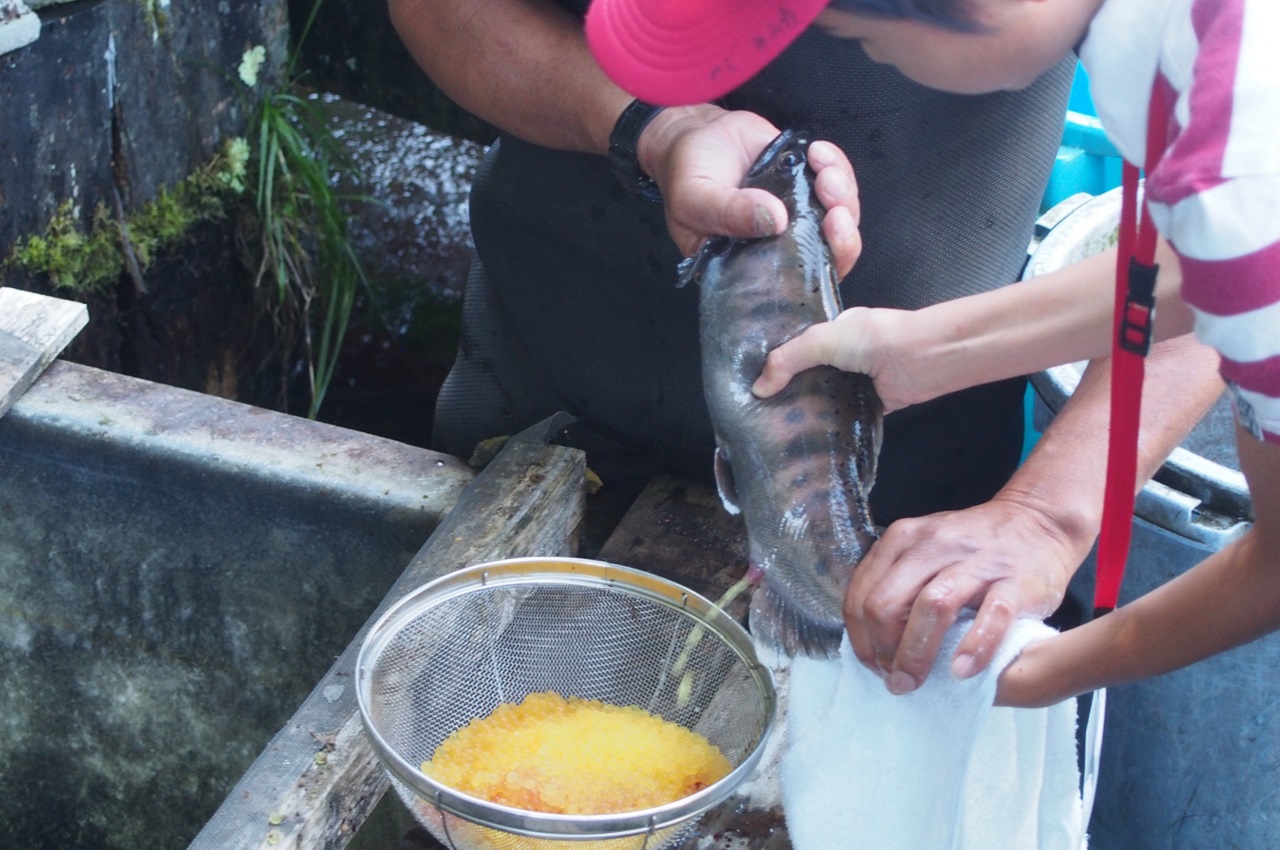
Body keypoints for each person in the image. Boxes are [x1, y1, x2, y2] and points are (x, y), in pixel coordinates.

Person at [388, 0, 1222, 693]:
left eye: (846, 28)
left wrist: (1048, 514)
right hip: (540, 395)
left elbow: (1241, 247)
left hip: (915, 487)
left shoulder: (1217, 60)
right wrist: (655, 125)